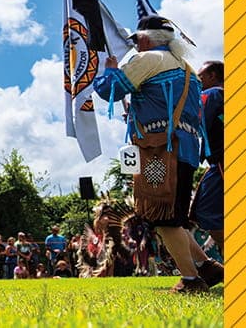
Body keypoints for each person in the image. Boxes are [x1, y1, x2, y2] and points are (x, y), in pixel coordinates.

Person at [94, 15, 223, 293]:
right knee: (172, 214)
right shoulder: (185, 66)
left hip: (161, 150)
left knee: (162, 217)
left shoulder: (148, 59)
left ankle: (191, 281)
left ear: (145, 38)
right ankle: (206, 267)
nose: (135, 45)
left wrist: (110, 70)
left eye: (137, 40)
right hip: (185, 148)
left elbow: (111, 91)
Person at [190, 60, 224, 260]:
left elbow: (191, 118)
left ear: (212, 76)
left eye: (201, 76)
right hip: (218, 162)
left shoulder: (210, 95)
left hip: (221, 163)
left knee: (206, 212)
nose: (198, 80)